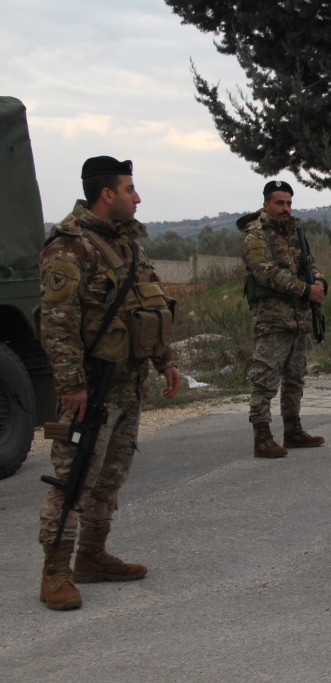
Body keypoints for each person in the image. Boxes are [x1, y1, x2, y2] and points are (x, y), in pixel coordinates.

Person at [37, 156, 181, 610]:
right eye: (130, 189)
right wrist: (72, 386)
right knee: (72, 478)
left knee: (110, 477)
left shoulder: (128, 245)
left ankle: (93, 557)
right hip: (91, 389)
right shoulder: (69, 247)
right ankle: (55, 571)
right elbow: (58, 325)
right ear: (107, 194)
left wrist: (165, 361)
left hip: (128, 383)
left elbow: (150, 305)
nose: (137, 198)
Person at [239, 180, 328, 458]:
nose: (286, 208)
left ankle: (293, 429)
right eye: (280, 203)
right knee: (264, 379)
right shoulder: (256, 236)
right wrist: (306, 290)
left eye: (289, 203)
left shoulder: (295, 234)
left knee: (295, 377)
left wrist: (320, 283)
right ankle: (262, 436)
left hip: (298, 319)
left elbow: (310, 266)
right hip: (273, 320)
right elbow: (266, 273)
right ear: (266, 204)